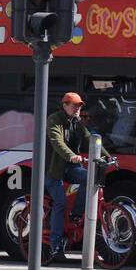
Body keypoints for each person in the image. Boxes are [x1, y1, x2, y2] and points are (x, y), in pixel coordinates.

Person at [45, 92, 90, 258]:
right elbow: (57, 141)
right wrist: (71, 155)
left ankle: (76, 214)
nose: (77, 109)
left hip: (70, 168)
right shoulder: (54, 119)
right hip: (52, 170)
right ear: (64, 105)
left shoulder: (77, 122)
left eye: (79, 106)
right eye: (74, 105)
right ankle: (55, 246)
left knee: (89, 177)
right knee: (61, 202)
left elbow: (90, 139)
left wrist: (106, 155)